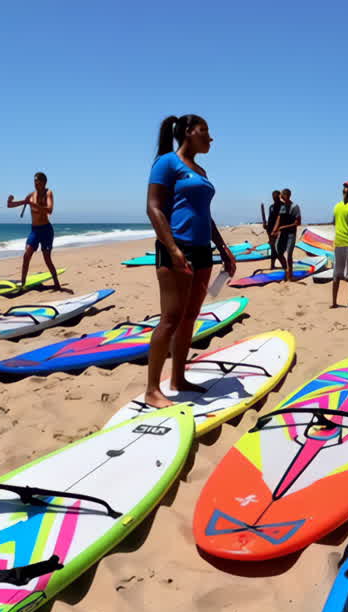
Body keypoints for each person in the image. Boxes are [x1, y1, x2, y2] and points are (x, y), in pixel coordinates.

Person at [144, 114, 236, 408]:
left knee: (189, 318)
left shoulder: (201, 170)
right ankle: (151, 389)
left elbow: (204, 216)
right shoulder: (167, 162)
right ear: (188, 132)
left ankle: (178, 378)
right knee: (170, 319)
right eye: (205, 131)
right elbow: (154, 207)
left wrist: (222, 248)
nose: (210, 137)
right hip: (176, 248)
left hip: (202, 251)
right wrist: (172, 248)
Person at [8, 172, 63, 290]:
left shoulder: (48, 193)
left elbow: (50, 210)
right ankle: (22, 284)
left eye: (38, 182)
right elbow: (12, 205)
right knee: (26, 255)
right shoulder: (31, 195)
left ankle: (57, 284)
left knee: (47, 259)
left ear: (44, 182)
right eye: (34, 182)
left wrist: (33, 204)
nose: (36, 184)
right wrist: (10, 201)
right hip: (35, 230)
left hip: (46, 230)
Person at [271, 188, 302, 280]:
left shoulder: (295, 207)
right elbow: (279, 219)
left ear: (287, 196)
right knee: (278, 252)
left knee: (289, 255)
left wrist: (283, 227)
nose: (280, 197)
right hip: (282, 234)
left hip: (291, 234)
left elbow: (298, 222)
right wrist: (274, 230)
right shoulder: (283, 206)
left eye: (282, 196)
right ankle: (286, 270)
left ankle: (290, 275)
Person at [265, 189, 283, 269]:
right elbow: (270, 219)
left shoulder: (283, 206)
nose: (274, 197)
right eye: (273, 196)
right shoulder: (271, 207)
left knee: (278, 248)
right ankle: (272, 265)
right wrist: (266, 226)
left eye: (276, 196)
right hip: (271, 231)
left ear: (279, 196)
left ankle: (284, 266)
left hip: (280, 231)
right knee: (273, 248)